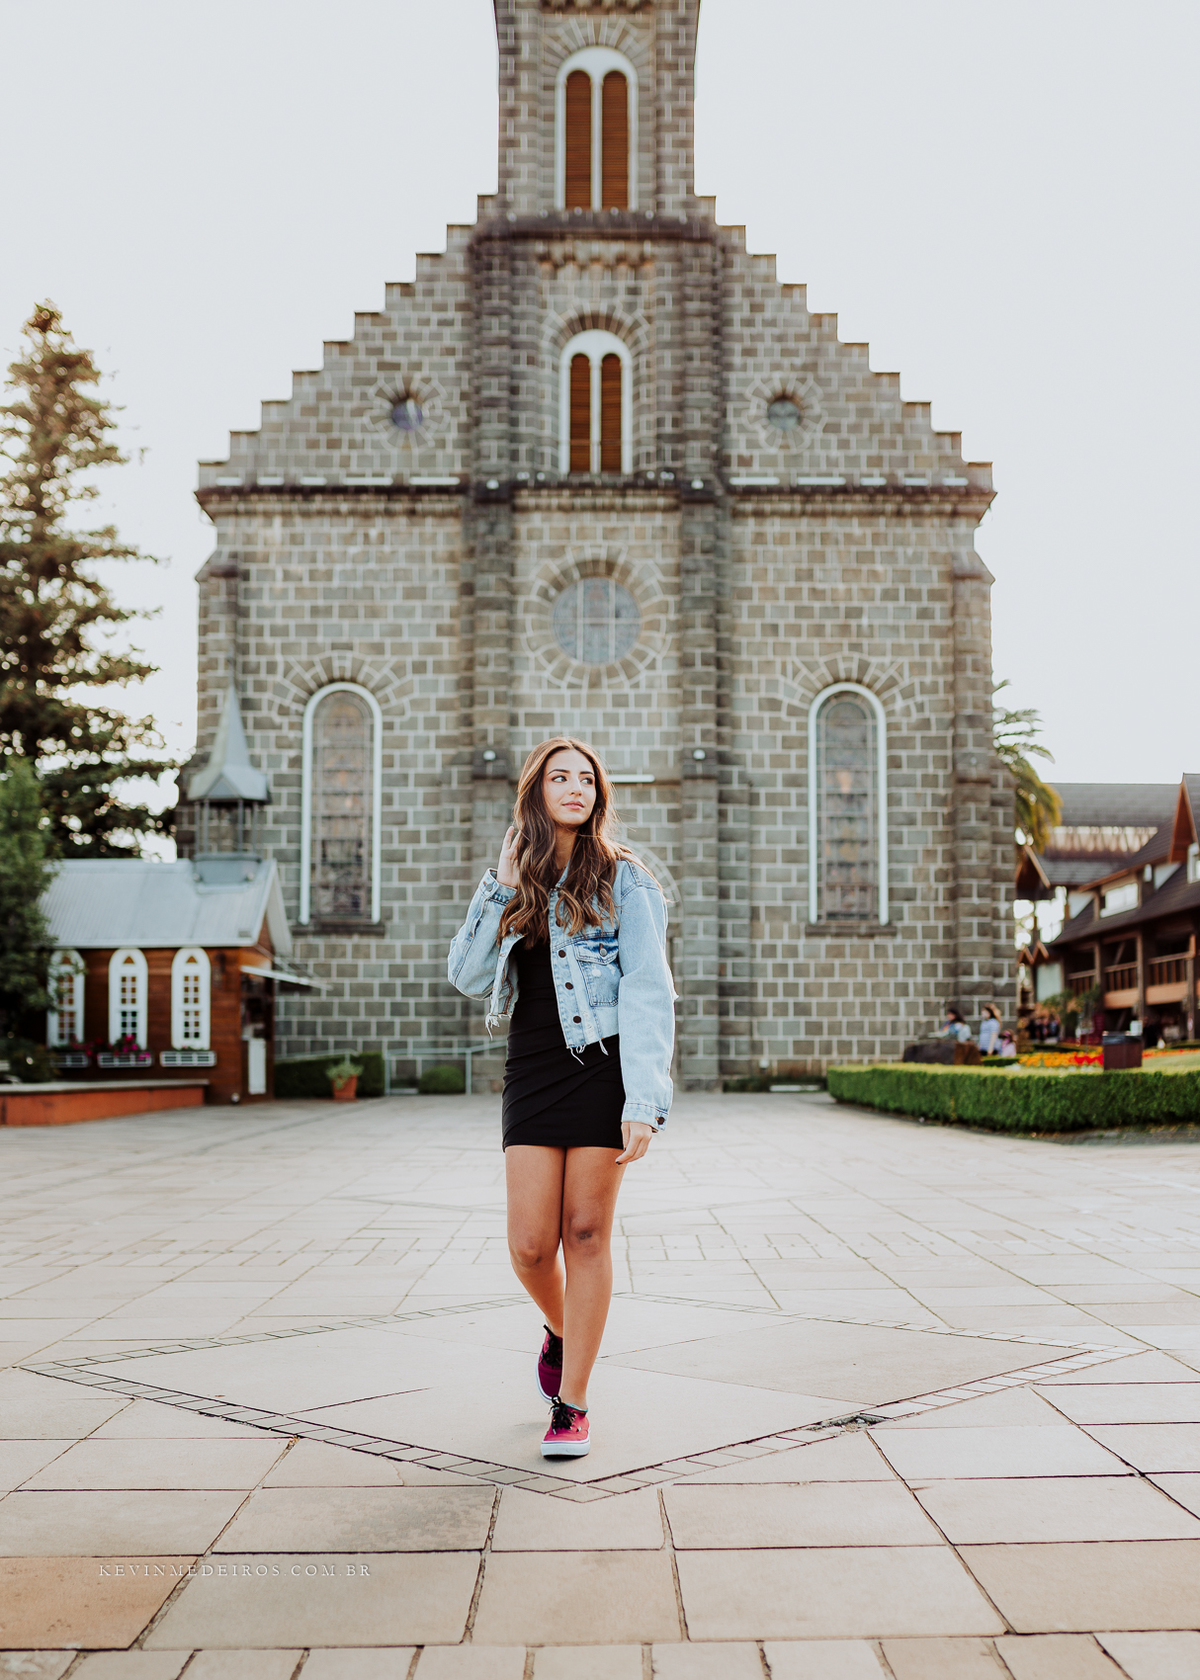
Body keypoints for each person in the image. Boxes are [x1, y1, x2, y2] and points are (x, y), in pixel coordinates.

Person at [447, 738, 675, 1461]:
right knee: (528, 1245)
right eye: (560, 777)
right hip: (534, 1068)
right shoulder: (514, 881)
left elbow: (648, 988)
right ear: (536, 791)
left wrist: (644, 1098)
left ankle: (571, 1402)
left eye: (586, 779)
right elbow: (466, 975)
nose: (575, 788)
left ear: (599, 794)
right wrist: (500, 883)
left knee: (584, 1234)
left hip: (603, 1068)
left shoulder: (625, 880)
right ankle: (565, 1329)